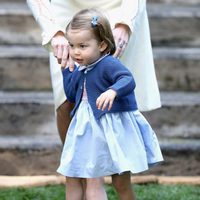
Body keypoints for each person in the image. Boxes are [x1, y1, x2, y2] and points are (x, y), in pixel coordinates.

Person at [27, 0, 162, 199]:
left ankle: (95, 181)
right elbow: (72, 94)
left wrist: (112, 91)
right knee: (65, 106)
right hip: (64, 8)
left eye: (81, 47)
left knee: (116, 179)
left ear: (102, 45)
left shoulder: (108, 64)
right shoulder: (76, 57)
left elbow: (126, 79)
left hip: (117, 6)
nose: (76, 52)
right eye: (73, 46)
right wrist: (65, 68)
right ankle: (85, 177)